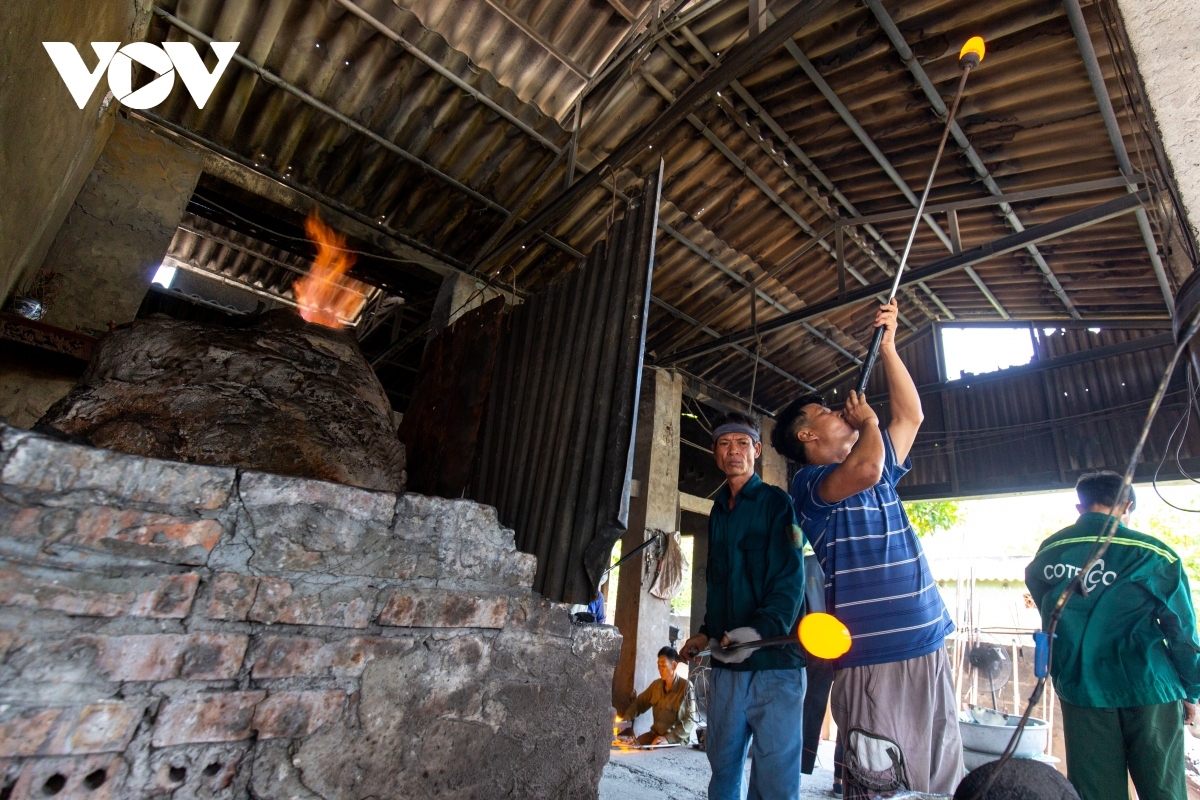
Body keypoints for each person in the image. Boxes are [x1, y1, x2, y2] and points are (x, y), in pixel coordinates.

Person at [772, 300, 962, 795]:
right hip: (873, 653)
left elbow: (913, 415)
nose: (838, 411)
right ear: (807, 434)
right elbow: (865, 469)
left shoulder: (876, 465)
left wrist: (892, 347)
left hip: (927, 637)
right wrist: (870, 425)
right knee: (881, 776)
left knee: (937, 774)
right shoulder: (810, 484)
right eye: (825, 413)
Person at [1024, 471, 1200, 800]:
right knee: (1163, 791)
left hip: (1082, 689)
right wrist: (1191, 689)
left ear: (1081, 508)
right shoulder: (1156, 555)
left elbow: (1050, 616)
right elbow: (1182, 634)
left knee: (1095, 793)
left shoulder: (1049, 553)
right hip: (1149, 688)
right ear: (1127, 506)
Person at [681, 411, 806, 800]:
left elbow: (789, 581)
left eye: (741, 443)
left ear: (757, 449)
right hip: (726, 666)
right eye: (723, 443)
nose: (732, 451)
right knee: (722, 767)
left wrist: (756, 633)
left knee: (774, 778)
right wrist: (705, 633)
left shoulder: (777, 503)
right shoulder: (718, 512)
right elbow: (717, 584)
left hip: (774, 666)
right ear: (716, 453)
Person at [622, 646, 697, 745]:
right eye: (658, 665)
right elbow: (639, 704)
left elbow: (689, 721)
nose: (660, 669)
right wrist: (625, 720)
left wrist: (668, 739)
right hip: (655, 735)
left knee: (655, 752)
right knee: (634, 745)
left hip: (675, 739)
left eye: (663, 665)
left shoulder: (686, 687)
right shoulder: (656, 685)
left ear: (674, 665)